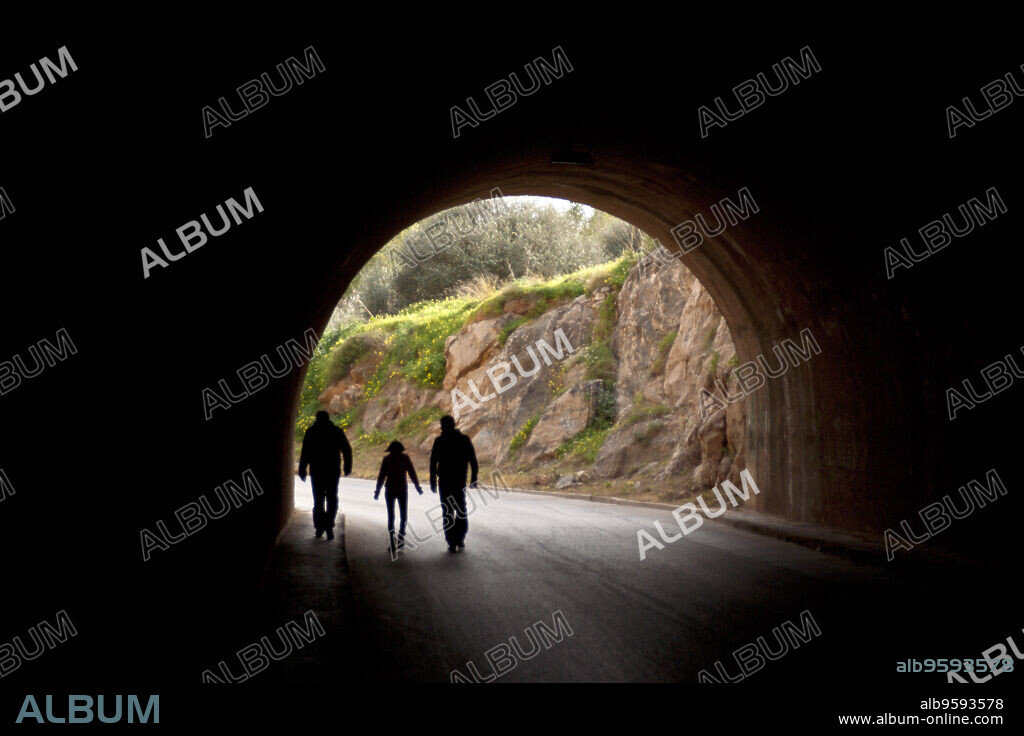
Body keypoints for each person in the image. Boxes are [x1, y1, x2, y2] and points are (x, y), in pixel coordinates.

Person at [298, 411, 353, 540]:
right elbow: (346, 450)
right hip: (332, 471)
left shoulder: (311, 432)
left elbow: (305, 452)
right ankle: (329, 526)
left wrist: (302, 469)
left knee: (318, 501)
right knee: (332, 499)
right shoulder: (336, 431)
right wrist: (347, 466)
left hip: (317, 471)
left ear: (317, 419)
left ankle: (319, 527)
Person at [429, 415, 478, 553]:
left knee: (448, 512)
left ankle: (451, 540)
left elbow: (433, 462)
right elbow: (472, 460)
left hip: (446, 482)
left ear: (444, 426)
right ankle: (458, 538)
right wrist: (474, 477)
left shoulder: (440, 441)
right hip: (458, 482)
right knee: (460, 510)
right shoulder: (463, 439)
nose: (442, 428)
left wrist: (433, 480)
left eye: (442, 425)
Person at [374, 440, 423, 554]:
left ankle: (392, 542)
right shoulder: (405, 458)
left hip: (390, 490)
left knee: (391, 516)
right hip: (402, 490)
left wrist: (377, 491)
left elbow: (381, 476)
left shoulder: (387, 459)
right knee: (403, 516)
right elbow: (412, 473)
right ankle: (401, 537)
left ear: (390, 450)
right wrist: (417, 487)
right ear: (401, 450)